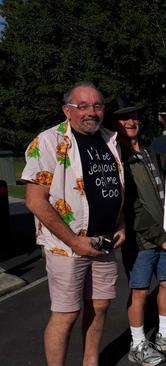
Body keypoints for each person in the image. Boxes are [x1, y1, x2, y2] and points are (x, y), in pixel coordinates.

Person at [22, 81, 125, 365]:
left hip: (104, 240)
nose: (91, 112)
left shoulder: (109, 139)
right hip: (67, 246)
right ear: (67, 110)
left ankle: (90, 362)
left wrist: (120, 224)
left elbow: (114, 188)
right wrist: (74, 240)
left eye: (97, 105)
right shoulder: (48, 141)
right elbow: (35, 200)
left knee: (100, 305)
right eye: (82, 106)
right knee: (66, 313)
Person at [112, 99, 166, 366]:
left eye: (135, 117)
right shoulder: (118, 159)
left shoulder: (150, 152)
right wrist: (160, 236)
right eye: (124, 119)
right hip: (143, 239)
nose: (131, 123)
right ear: (115, 125)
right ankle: (137, 344)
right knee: (139, 290)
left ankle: (165, 333)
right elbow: (131, 207)